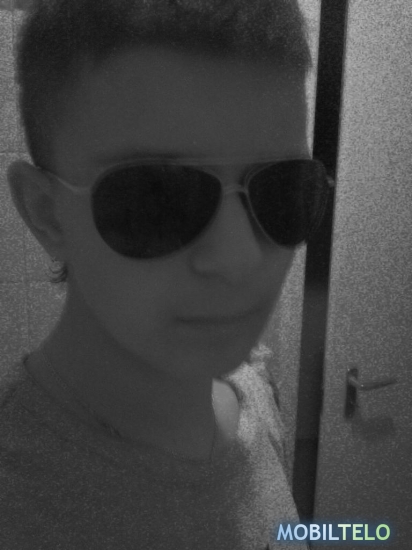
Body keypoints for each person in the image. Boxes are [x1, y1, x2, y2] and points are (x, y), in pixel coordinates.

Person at [1, 0, 329, 548]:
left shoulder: (253, 398)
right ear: (45, 212)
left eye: (283, 190)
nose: (239, 258)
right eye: (156, 197)